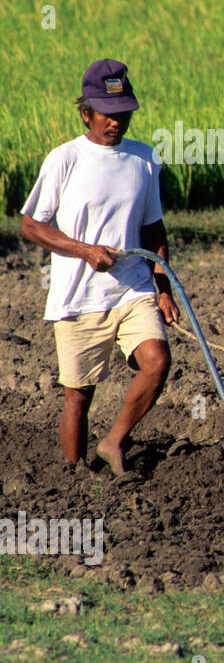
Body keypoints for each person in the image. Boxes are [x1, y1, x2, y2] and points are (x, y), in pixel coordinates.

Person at [20, 59, 180, 477]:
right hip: (79, 296)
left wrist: (163, 286)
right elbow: (30, 225)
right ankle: (72, 482)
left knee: (158, 361)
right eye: (107, 114)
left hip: (133, 287)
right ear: (86, 112)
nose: (116, 122)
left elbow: (153, 227)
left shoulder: (144, 159)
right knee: (78, 396)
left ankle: (113, 441)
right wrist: (84, 250)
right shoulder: (65, 159)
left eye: (123, 112)